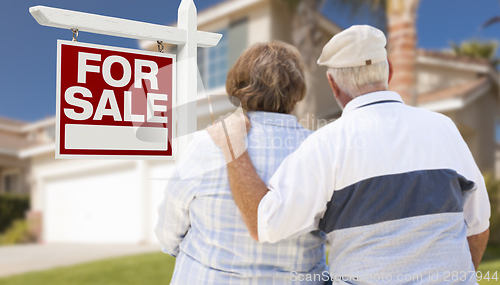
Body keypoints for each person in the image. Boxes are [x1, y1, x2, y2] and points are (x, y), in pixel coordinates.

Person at [209, 25, 491, 284]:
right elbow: (477, 228)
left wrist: (234, 148)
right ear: (388, 70)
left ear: (333, 84)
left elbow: (265, 224)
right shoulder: (443, 128)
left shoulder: (326, 145)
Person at [155, 41, 328, 284]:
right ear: (297, 89)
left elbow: (170, 225)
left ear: (238, 87)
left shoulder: (207, 144)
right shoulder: (320, 150)